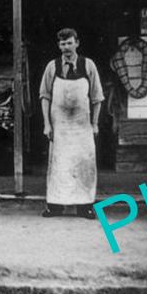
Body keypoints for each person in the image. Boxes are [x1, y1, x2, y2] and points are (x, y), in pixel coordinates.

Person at [39, 28, 104, 218]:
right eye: (62, 44)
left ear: (77, 43)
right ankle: (55, 205)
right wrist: (47, 124)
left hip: (82, 126)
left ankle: (85, 206)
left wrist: (95, 123)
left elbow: (97, 97)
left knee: (84, 165)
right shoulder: (52, 67)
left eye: (69, 43)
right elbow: (44, 96)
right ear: (58, 46)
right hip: (60, 126)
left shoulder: (88, 65)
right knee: (58, 165)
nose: (66, 47)